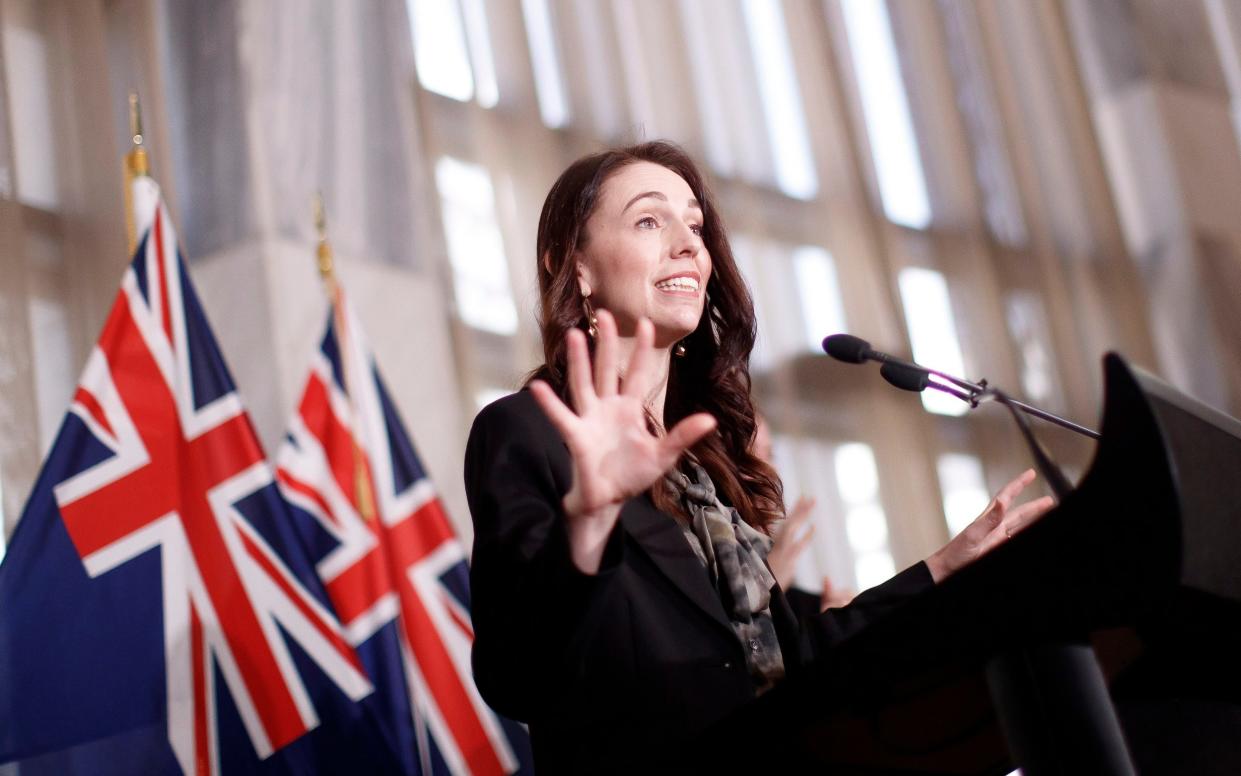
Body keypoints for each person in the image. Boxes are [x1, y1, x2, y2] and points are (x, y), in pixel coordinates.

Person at [463, 141, 1052, 774]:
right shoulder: (524, 432)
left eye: (694, 224)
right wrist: (588, 524)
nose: (690, 244)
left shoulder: (705, 471)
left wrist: (941, 570)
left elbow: (785, 664)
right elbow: (517, 676)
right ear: (574, 268)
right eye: (648, 219)